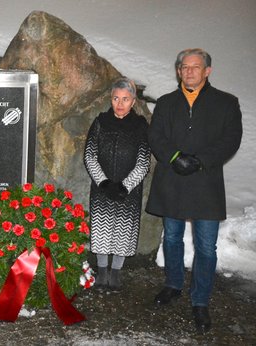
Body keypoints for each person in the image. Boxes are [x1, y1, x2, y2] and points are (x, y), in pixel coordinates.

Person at [146, 48, 242, 334]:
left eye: (195, 67)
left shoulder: (226, 103)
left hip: (206, 183)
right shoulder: (166, 103)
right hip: (172, 179)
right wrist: (175, 157)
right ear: (178, 70)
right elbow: (156, 137)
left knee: (205, 247)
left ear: (207, 71)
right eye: (184, 67)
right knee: (172, 237)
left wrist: (201, 161)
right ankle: (173, 284)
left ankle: (200, 300)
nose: (189, 71)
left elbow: (231, 139)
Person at [84, 77, 151, 292]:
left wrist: (125, 186)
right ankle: (102, 271)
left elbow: (143, 161)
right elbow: (90, 155)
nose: (120, 104)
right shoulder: (101, 122)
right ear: (110, 99)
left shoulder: (140, 126)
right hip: (102, 187)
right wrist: (103, 182)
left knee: (123, 232)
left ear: (133, 102)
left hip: (127, 191)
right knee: (102, 230)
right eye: (115, 98)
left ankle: (116, 273)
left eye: (125, 99)